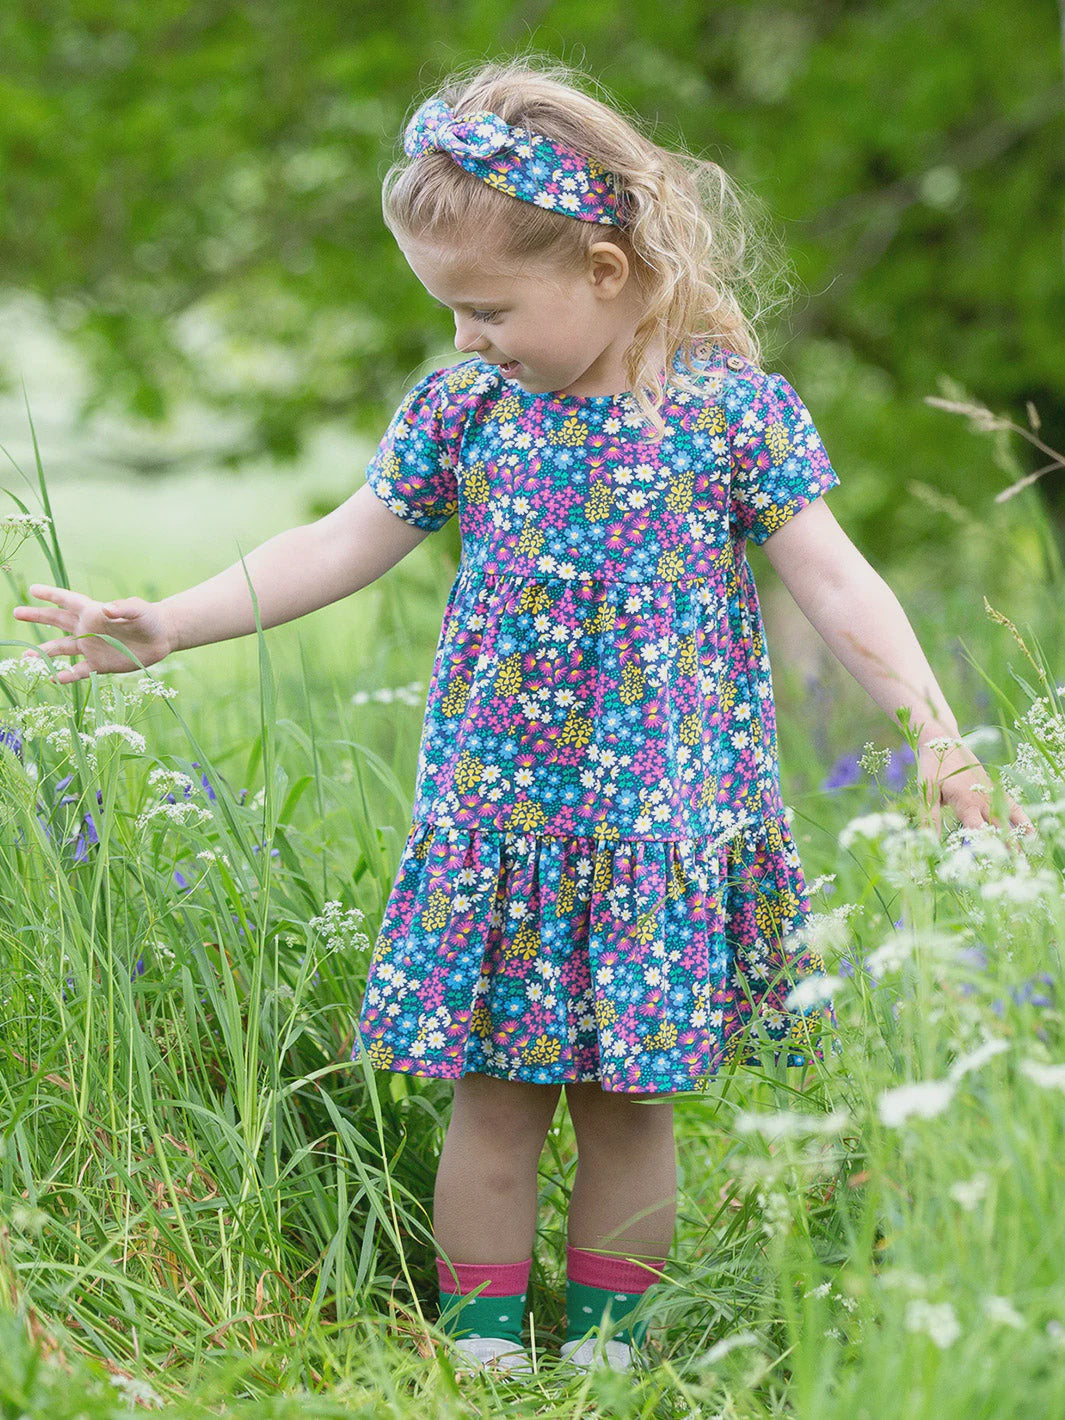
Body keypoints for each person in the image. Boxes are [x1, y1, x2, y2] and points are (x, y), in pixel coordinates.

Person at [13, 57, 1034, 1380]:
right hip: (499, 822)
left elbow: (840, 584)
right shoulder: (464, 412)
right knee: (490, 1106)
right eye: (449, 311)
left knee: (629, 1107)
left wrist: (941, 747)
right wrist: (173, 623)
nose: (464, 338)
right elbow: (339, 540)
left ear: (604, 270)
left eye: (486, 307)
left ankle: (609, 1356)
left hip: (658, 828)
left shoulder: (726, 413)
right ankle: (481, 1356)